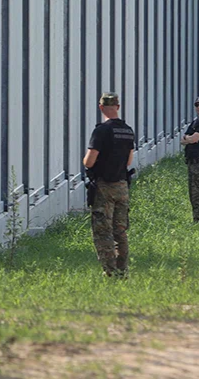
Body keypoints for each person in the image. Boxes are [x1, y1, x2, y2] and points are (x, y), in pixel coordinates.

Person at [83, 92, 136, 278]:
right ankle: (123, 271)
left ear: (101, 107)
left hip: (104, 188)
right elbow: (129, 161)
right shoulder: (128, 131)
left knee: (103, 231)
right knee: (120, 231)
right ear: (118, 107)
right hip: (122, 186)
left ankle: (110, 272)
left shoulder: (101, 131)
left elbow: (89, 162)